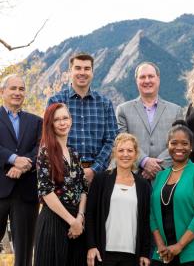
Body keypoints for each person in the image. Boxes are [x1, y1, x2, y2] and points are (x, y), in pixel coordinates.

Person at [150, 120, 194, 265]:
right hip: (163, 254)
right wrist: (160, 246)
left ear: (191, 147)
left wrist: (179, 246)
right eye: (174, 143)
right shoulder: (161, 176)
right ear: (168, 146)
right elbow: (152, 214)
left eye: (184, 143)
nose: (179, 147)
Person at [47, 52, 118, 184]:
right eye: (78, 68)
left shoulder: (104, 103)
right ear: (70, 71)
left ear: (92, 72)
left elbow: (111, 140)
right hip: (63, 174)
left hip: (98, 177)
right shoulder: (56, 101)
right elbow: (49, 137)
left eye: (87, 68)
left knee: (96, 206)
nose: (82, 72)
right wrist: (68, 168)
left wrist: (94, 169)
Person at [34, 103, 88, 266]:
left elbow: (83, 189)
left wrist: (79, 218)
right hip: (53, 221)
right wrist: (72, 221)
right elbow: (46, 191)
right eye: (57, 120)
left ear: (71, 120)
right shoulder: (45, 152)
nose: (62, 123)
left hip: (77, 225)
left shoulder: (75, 153)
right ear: (50, 124)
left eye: (65, 118)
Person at [86, 133, 151, 266]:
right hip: (103, 253)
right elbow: (90, 215)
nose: (125, 154)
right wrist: (91, 246)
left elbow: (146, 220)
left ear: (136, 154)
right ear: (114, 153)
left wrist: (145, 253)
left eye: (129, 150)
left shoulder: (143, 185)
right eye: (121, 150)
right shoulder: (101, 180)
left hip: (132, 254)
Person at [0, 74, 42, 266]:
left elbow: (41, 148)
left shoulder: (36, 121)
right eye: (13, 88)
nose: (18, 93)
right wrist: (14, 159)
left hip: (26, 193)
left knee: (24, 252)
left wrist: (23, 167)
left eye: (21, 89)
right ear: (2, 92)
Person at [116, 62, 183, 180]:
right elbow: (122, 141)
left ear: (158, 79)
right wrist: (144, 161)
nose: (147, 81)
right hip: (134, 177)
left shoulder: (176, 110)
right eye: (142, 77)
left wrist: (157, 166)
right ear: (136, 81)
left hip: (167, 177)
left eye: (151, 76)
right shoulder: (123, 110)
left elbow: (179, 143)